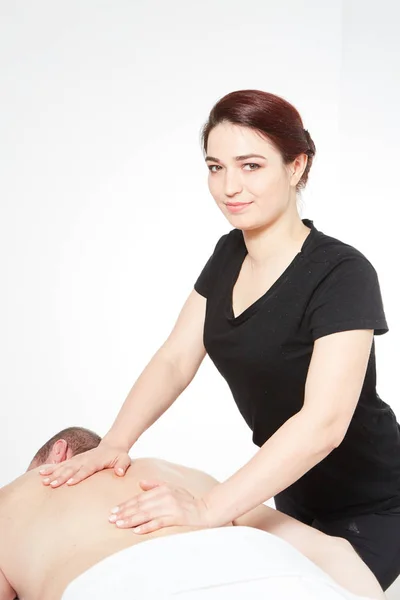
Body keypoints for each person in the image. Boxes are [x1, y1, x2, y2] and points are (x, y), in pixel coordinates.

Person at [39, 89, 400, 592]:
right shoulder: (229, 253)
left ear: (296, 166)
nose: (229, 186)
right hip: (290, 493)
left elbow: (324, 424)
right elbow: (176, 358)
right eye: (215, 167)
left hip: (378, 506)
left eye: (250, 165)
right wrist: (116, 442)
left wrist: (209, 506)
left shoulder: (343, 273)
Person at [0, 427, 384, 600]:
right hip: (274, 573)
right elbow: (334, 551)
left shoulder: (16, 496)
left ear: (58, 454)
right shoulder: (183, 479)